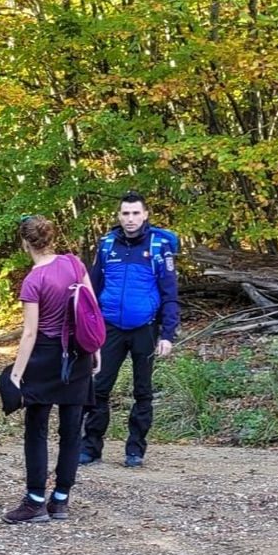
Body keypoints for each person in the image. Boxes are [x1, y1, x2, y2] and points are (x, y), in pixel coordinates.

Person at [3, 216, 98, 523]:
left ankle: (34, 502)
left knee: (37, 429)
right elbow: (91, 311)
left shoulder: (33, 280)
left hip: (45, 356)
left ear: (24, 243)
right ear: (51, 238)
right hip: (79, 354)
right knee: (71, 430)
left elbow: (30, 333)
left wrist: (16, 374)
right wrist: (95, 351)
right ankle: (60, 500)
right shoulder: (74, 264)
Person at [80, 191, 180, 468]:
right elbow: (92, 288)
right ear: (119, 216)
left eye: (136, 213)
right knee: (98, 388)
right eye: (125, 213)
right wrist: (87, 325)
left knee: (143, 391)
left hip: (145, 329)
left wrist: (168, 334)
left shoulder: (160, 246)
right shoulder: (107, 244)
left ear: (145, 215)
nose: (130, 218)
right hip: (109, 327)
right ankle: (90, 448)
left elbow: (170, 293)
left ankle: (135, 450)